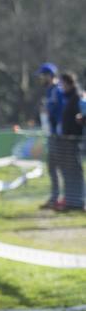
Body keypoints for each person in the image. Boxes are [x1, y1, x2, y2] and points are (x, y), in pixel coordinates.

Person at [38, 63, 66, 209]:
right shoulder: (50, 91)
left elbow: (61, 114)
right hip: (52, 135)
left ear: (49, 76)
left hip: (58, 136)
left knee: (62, 168)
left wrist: (59, 132)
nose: (41, 79)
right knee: (52, 167)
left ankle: (65, 199)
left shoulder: (57, 90)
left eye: (42, 76)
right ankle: (55, 197)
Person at [57, 73, 84, 211]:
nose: (61, 87)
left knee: (75, 172)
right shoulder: (68, 98)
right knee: (69, 171)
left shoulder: (77, 97)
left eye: (62, 84)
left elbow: (81, 118)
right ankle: (72, 201)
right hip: (68, 140)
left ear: (69, 83)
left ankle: (79, 201)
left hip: (75, 140)